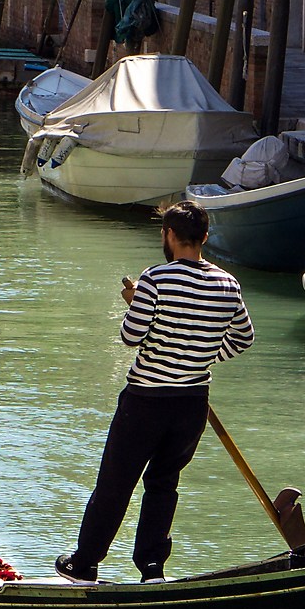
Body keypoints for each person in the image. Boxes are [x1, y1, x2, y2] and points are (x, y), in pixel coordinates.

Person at [57, 200, 254, 585]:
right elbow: (243, 338)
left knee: (116, 482)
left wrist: (136, 308)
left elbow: (131, 337)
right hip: (191, 403)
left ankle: (84, 565)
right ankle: (152, 569)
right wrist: (204, 356)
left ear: (168, 235)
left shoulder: (155, 279)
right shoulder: (228, 283)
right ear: (205, 237)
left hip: (145, 401)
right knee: (164, 484)